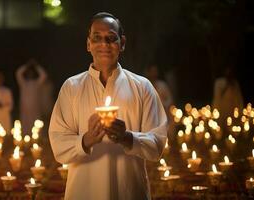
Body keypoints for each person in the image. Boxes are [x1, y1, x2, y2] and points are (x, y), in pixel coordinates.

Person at [49, 12, 168, 200]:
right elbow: (58, 145)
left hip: (129, 190)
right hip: (83, 190)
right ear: (88, 44)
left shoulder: (142, 87)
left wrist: (127, 138)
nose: (104, 44)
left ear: (122, 43)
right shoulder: (72, 87)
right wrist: (86, 140)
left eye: (111, 38)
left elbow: (157, 144)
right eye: (97, 38)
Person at [16, 59, 47, 135]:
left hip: (35, 108)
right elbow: (18, 73)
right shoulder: (23, 83)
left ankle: (36, 140)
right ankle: (25, 140)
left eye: (31, 73)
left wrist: (36, 66)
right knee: (25, 124)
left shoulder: (37, 83)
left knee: (36, 124)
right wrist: (26, 66)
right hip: (25, 108)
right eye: (29, 73)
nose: (30, 74)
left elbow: (44, 75)